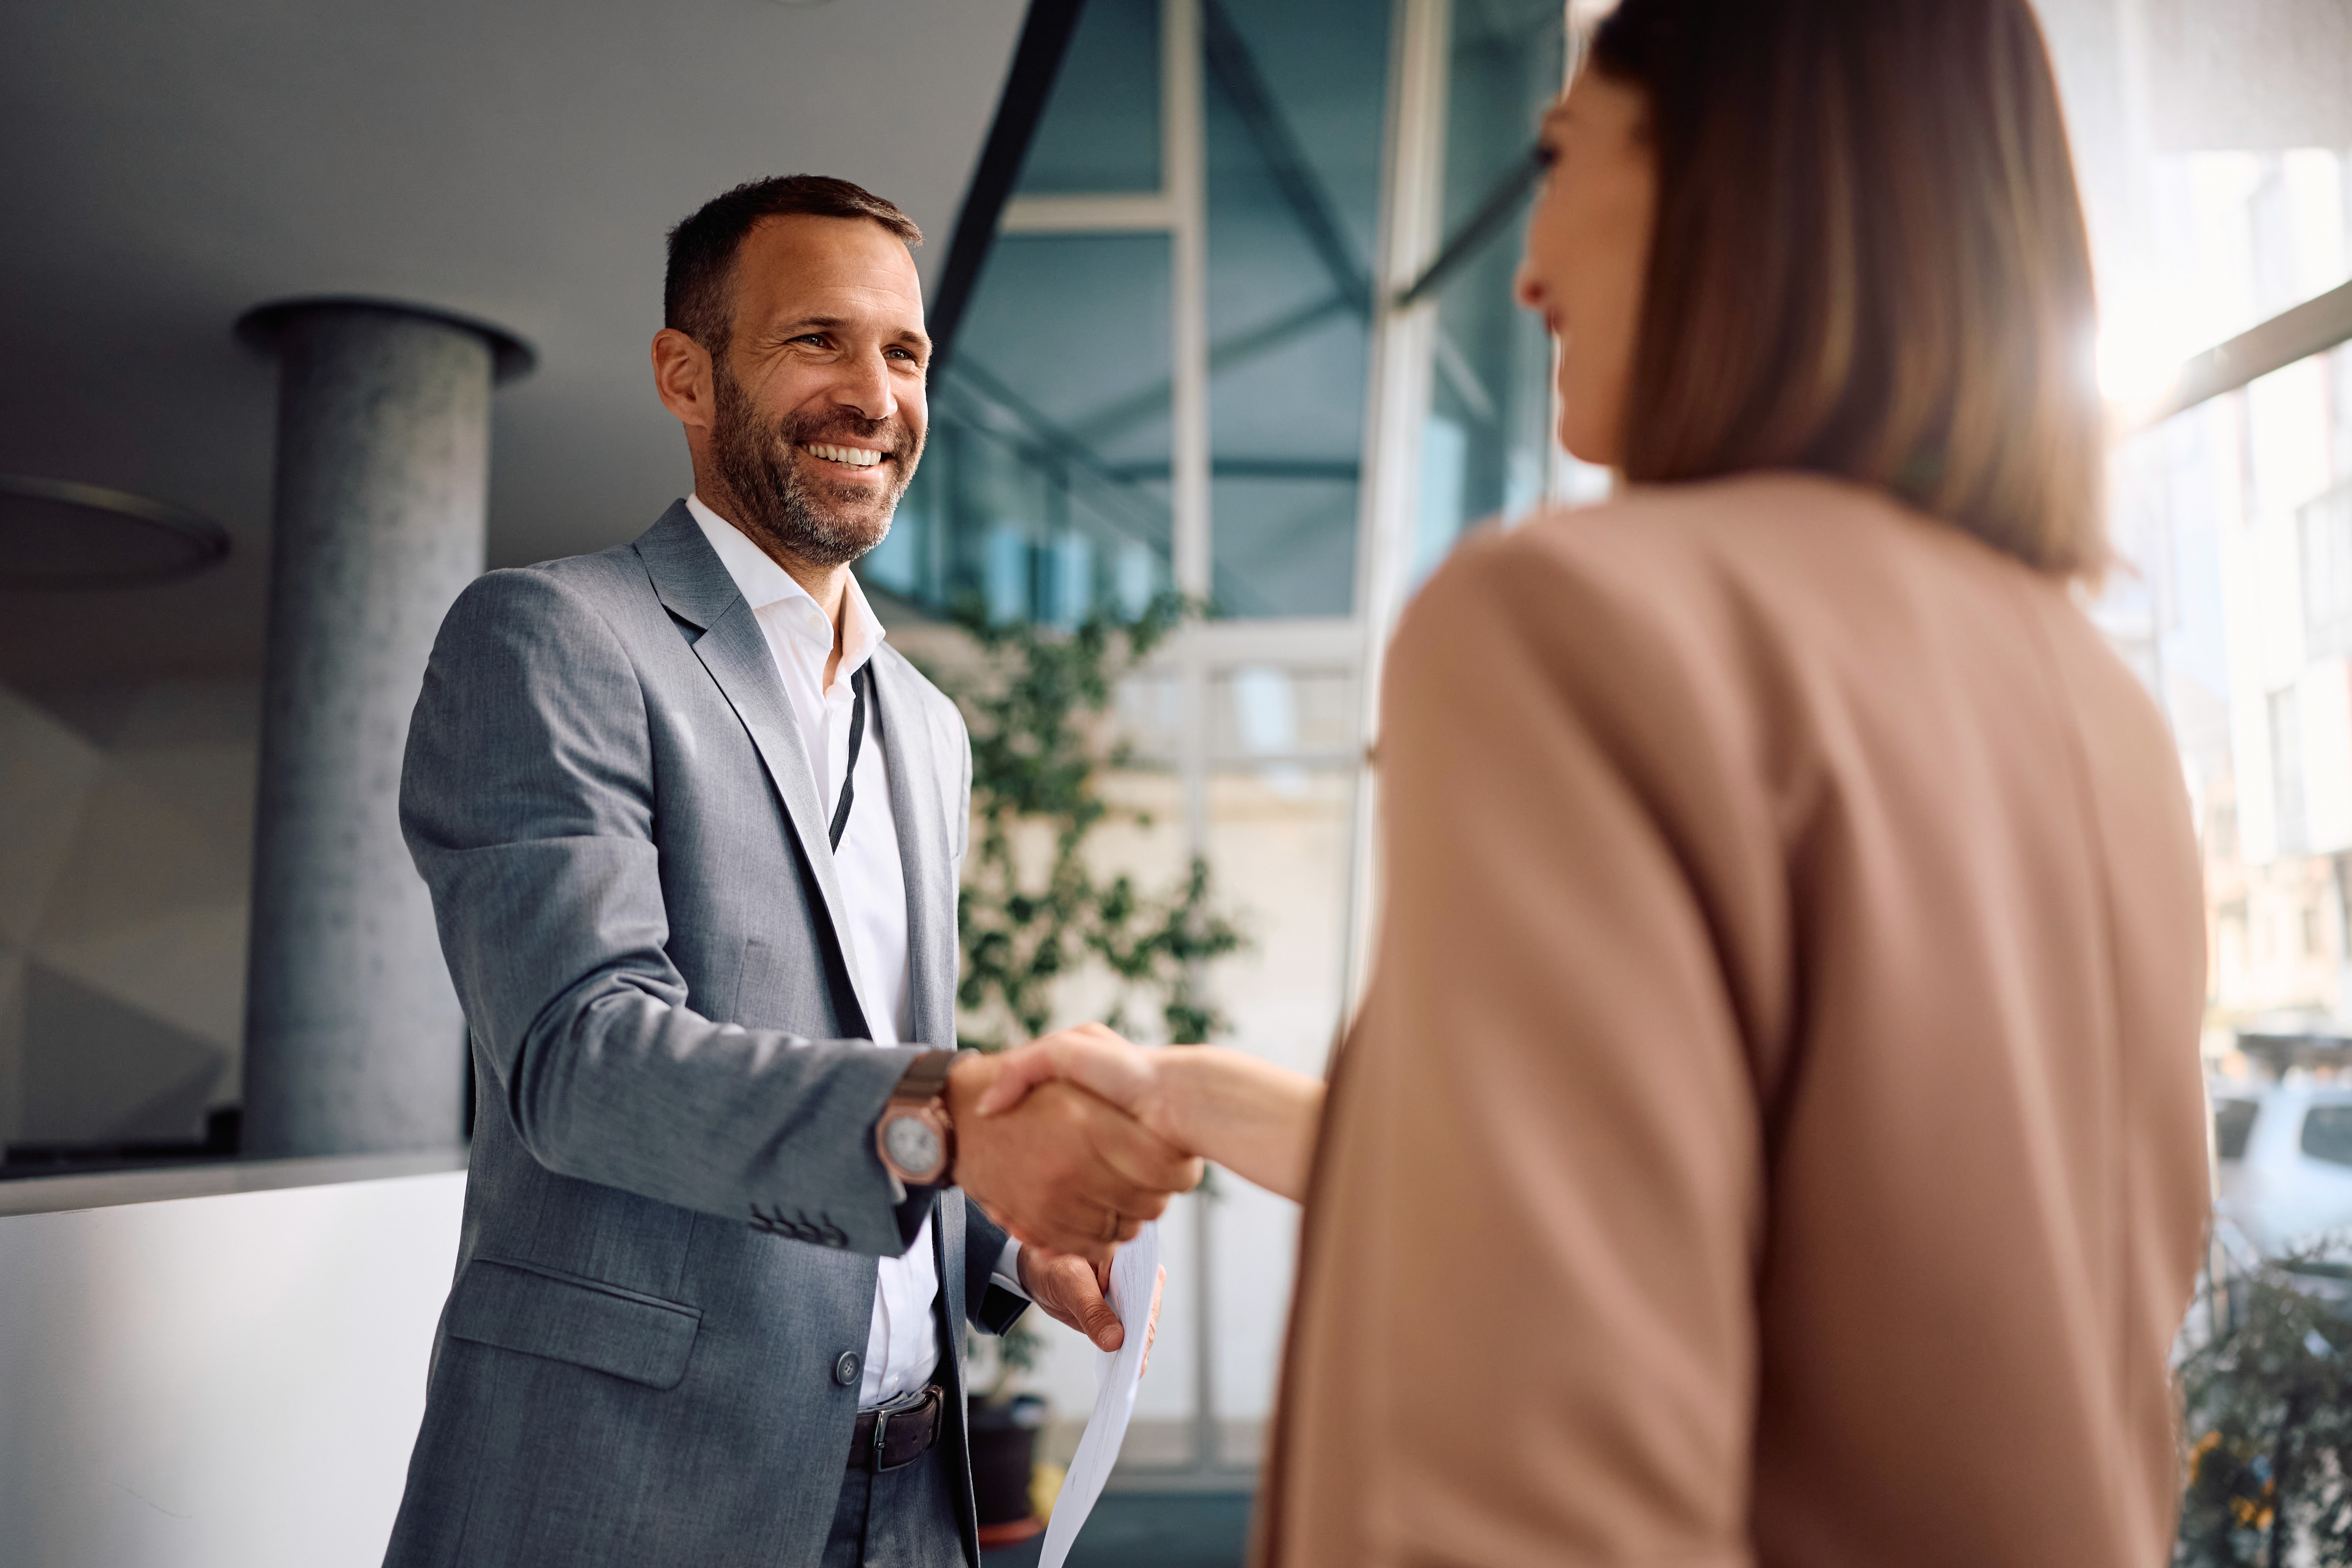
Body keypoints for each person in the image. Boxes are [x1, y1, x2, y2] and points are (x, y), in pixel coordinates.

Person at [980, 2, 2212, 1563]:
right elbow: (1758, 1214)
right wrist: (1192, 1094)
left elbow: (1529, 1482)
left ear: (1731, 178)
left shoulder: (1574, 624)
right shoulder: (2095, 704)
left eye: (1564, 159)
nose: (1526, 267)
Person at [383, 175, 1198, 1568]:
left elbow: (869, 1059)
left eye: (904, 352)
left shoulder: (929, 727)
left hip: (913, 1492)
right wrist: (958, 1121)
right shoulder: (551, 638)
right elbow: (585, 1061)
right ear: (685, 378)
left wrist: (1007, 1234)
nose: (874, 395)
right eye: (817, 340)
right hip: (633, 1493)